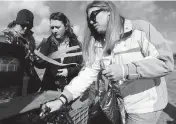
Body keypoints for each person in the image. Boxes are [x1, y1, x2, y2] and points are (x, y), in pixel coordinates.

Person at [43, 1, 174, 124]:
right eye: (89, 19)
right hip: (121, 105)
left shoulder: (140, 29)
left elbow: (166, 63)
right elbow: (88, 73)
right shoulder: (99, 43)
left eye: (94, 15)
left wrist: (125, 70)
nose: (91, 21)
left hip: (145, 106)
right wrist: (62, 99)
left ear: (109, 12)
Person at [35, 12, 83, 92]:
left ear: (66, 26)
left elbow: (82, 66)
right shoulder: (48, 42)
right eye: (52, 27)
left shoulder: (75, 44)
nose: (54, 31)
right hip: (49, 89)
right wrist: (35, 59)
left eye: (57, 27)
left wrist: (69, 71)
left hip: (69, 90)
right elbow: (41, 65)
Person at [2, 9, 41, 94]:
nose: (26, 29)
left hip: (30, 82)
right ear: (16, 23)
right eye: (23, 25)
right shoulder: (5, 37)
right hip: (13, 84)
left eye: (29, 26)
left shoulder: (30, 37)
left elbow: (33, 56)